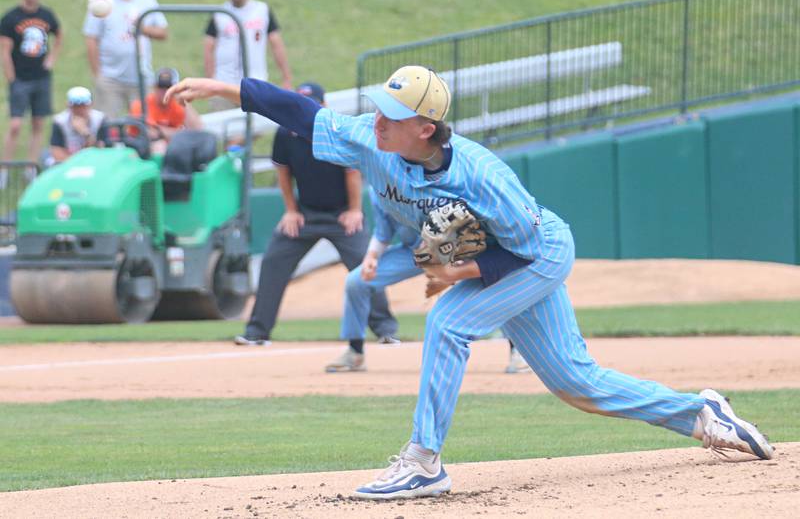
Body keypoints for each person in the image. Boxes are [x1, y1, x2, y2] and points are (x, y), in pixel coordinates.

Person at [165, 66, 775, 500]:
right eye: (379, 107)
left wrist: (452, 271)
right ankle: (700, 414)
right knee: (575, 382)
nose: (377, 120)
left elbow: (522, 251)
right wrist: (225, 89)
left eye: (393, 115)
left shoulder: (485, 178)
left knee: (449, 321)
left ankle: (424, 463)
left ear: (426, 128)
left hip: (535, 254)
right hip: (477, 247)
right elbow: (303, 114)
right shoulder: (371, 140)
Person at [233, 82, 398, 347]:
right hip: (306, 214)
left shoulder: (333, 130)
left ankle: (386, 330)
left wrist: (355, 210)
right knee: (273, 261)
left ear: (324, 105)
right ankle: (256, 331)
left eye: (314, 102)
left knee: (365, 265)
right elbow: (283, 171)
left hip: (343, 215)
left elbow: (352, 171)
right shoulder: (285, 133)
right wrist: (290, 210)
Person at [328, 188, 527, 374]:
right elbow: (383, 232)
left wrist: (451, 255)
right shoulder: (376, 190)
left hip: (452, 248)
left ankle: (518, 351)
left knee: (496, 278)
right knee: (356, 281)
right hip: (412, 252)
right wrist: (371, 257)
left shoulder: (421, 178)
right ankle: (355, 353)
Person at [83, 0, 168, 119]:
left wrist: (142, 28)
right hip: (109, 78)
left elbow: (163, 32)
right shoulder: (102, 0)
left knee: (143, 126)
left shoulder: (147, 0)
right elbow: (91, 38)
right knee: (106, 125)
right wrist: (97, 75)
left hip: (141, 77)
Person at [203, 0, 291, 113]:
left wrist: (286, 78)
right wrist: (211, 80)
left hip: (255, 84)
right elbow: (208, 48)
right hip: (224, 85)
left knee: (254, 128)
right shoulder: (220, 13)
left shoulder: (262, 10)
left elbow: (276, 44)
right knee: (224, 129)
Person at [1, 0, 61, 164]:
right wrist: (11, 78)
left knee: (38, 124)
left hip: (41, 79)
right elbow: (4, 51)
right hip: (20, 79)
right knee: (15, 126)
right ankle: (5, 168)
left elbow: (59, 34)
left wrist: (51, 59)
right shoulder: (10, 18)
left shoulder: (46, 15)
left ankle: (31, 166)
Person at [129, 67, 202, 154]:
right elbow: (152, 133)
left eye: (168, 87)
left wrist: (183, 99)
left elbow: (197, 130)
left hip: (172, 148)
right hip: (141, 149)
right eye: (161, 87)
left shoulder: (178, 105)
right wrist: (179, 133)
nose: (164, 91)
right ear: (155, 87)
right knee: (160, 146)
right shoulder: (141, 105)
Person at [46, 86, 107, 166]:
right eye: (76, 106)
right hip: (68, 164)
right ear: (69, 106)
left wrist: (86, 133)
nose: (80, 110)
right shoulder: (60, 122)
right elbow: (57, 153)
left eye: (83, 105)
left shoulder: (100, 120)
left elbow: (102, 152)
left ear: (90, 105)